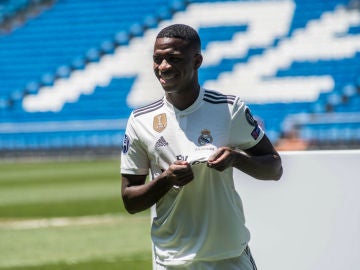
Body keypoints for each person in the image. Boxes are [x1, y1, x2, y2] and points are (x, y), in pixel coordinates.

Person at [120, 24, 283, 270]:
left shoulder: (229, 109)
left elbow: (274, 168)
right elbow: (130, 200)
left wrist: (236, 158)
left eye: (173, 58)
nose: (163, 67)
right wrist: (166, 179)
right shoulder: (141, 120)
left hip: (228, 256)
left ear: (197, 61)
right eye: (157, 59)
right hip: (173, 261)